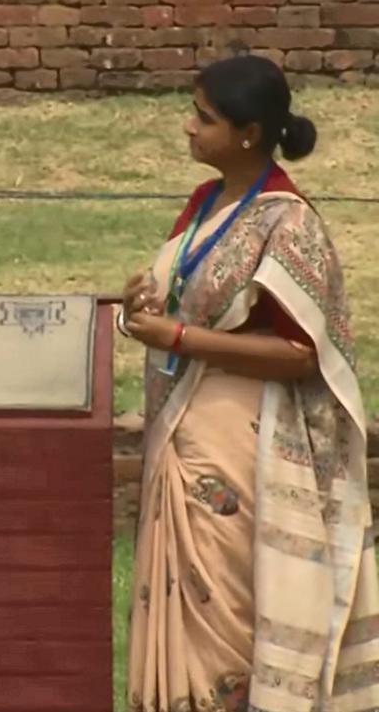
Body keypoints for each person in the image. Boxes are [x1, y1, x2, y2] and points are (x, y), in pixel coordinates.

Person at [119, 54, 379, 711]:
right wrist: (144, 306)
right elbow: (186, 297)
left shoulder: (289, 222)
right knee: (181, 614)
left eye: (203, 118)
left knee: (228, 617)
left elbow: (301, 351)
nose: (187, 128)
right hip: (183, 427)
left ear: (247, 133)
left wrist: (179, 337)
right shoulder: (207, 202)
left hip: (239, 447)